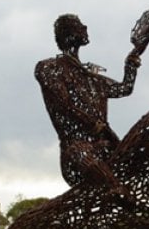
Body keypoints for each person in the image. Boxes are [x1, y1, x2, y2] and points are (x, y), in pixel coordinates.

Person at [34, 14, 142, 199]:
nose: (85, 28)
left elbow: (124, 89)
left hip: (107, 146)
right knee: (109, 184)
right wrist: (91, 123)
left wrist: (130, 66)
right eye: (79, 26)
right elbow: (63, 103)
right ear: (68, 34)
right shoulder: (48, 68)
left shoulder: (90, 76)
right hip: (76, 149)